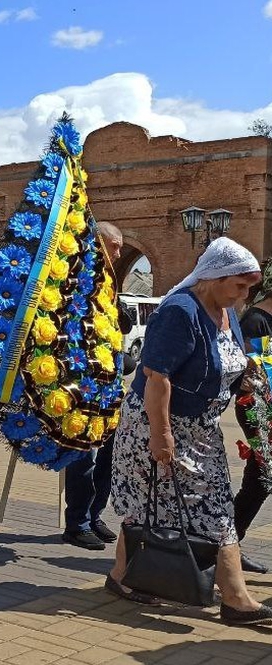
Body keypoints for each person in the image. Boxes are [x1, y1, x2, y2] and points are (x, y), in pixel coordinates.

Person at [108, 237, 271, 626]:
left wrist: (249, 377)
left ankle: (120, 578)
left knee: (154, 505)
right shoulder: (179, 311)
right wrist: (161, 435)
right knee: (190, 507)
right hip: (157, 423)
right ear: (213, 277)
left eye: (249, 288)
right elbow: (157, 377)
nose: (244, 295)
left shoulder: (227, 311)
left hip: (201, 429)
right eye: (239, 286)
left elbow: (227, 362)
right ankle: (235, 599)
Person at [61, 222, 129, 550]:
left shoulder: (108, 285)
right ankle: (77, 523)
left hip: (110, 385)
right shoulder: (77, 281)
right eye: (113, 246)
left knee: (108, 457)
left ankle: (94, 513)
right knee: (84, 457)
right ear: (96, 243)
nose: (117, 253)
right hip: (84, 386)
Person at [234, 262, 272, 575]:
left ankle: (227, 544)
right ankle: (227, 545)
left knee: (259, 480)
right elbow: (256, 375)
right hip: (258, 411)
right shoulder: (257, 320)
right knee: (260, 479)